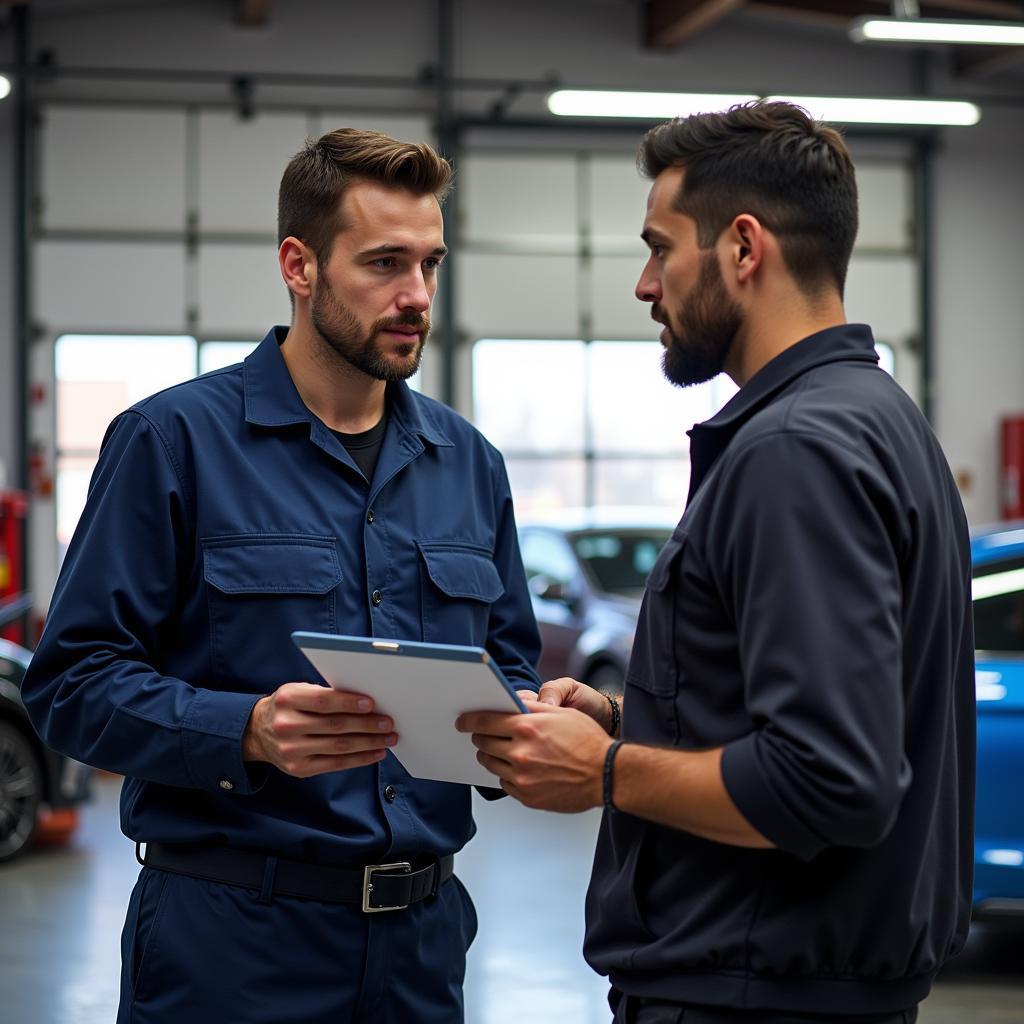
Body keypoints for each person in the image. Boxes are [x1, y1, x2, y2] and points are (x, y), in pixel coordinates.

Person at [459, 101, 975, 1024]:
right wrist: (631, 714)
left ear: (743, 247)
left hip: (751, 995)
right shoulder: (877, 419)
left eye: (660, 248)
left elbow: (829, 781)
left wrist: (608, 769)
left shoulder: (796, 449)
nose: (645, 284)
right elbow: (818, 705)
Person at [23, 128, 541, 1024]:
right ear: (298, 266)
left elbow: (511, 668)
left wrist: (528, 726)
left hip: (423, 949)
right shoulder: (172, 443)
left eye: (429, 263)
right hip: (232, 948)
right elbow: (70, 684)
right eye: (383, 264)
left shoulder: (470, 465)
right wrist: (247, 731)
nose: (416, 296)